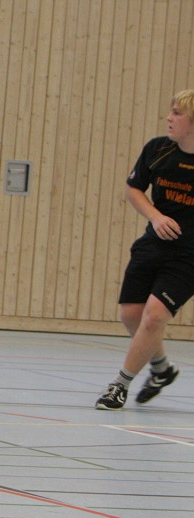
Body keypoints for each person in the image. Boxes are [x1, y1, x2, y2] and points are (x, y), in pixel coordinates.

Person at [95, 89, 194, 410]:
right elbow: (134, 188)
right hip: (153, 244)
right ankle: (162, 368)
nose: (169, 117)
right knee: (131, 315)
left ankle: (119, 385)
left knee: (154, 316)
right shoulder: (158, 149)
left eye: (177, 113)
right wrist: (155, 215)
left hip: (188, 255)